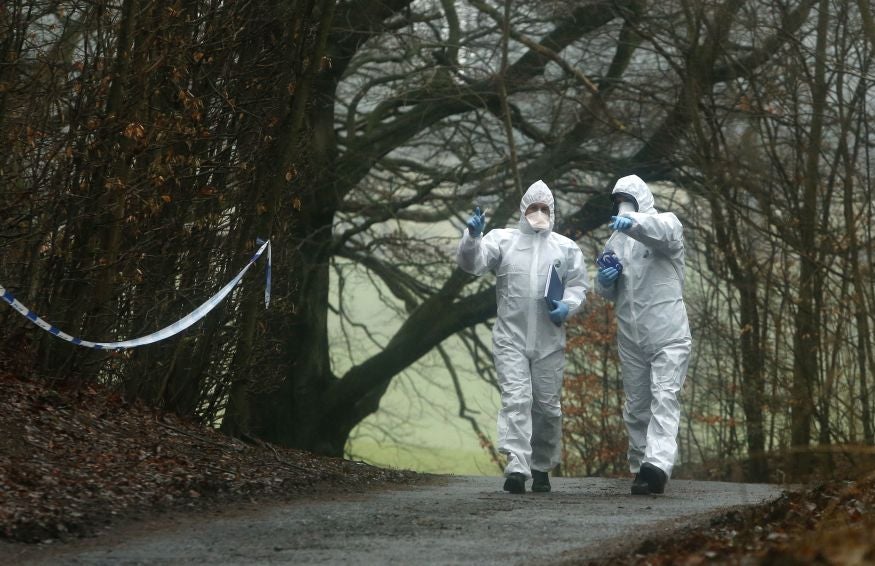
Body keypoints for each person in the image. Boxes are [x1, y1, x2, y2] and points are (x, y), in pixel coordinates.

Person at [457, 180, 589, 494]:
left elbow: (579, 286)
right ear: (523, 210)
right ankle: (517, 466)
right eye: (534, 207)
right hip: (511, 338)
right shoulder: (503, 241)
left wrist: (567, 307)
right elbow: (471, 263)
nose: (539, 213)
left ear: (552, 211)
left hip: (549, 341)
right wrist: (472, 237)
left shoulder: (565, 248)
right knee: (516, 400)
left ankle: (541, 466)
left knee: (546, 407)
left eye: (545, 208)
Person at [595, 174, 691, 495]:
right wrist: (605, 279)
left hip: (668, 333)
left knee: (665, 396)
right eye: (619, 202)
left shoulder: (666, 225)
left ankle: (657, 465)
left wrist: (632, 222)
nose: (622, 207)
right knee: (636, 405)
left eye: (628, 201)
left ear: (640, 201)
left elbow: (661, 232)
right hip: (632, 336)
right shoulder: (615, 242)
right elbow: (607, 292)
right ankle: (640, 467)